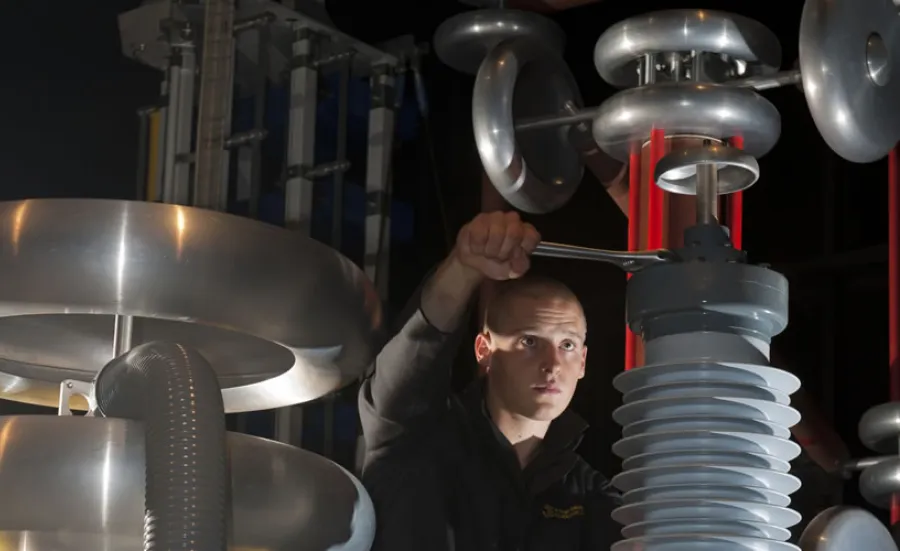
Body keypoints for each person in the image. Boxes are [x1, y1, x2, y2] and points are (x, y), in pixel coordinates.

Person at [358, 210, 621, 551]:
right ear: (484, 350)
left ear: (583, 361)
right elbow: (415, 354)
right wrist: (464, 267)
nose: (552, 364)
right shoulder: (415, 437)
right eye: (529, 341)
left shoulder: (589, 495)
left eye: (567, 345)